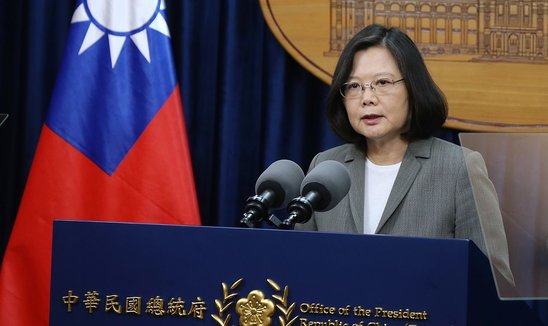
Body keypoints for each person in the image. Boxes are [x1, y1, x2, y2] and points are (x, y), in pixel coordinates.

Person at [295, 24, 514, 284]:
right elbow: (300, 269)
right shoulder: (326, 167)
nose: (367, 98)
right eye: (354, 86)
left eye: (382, 83)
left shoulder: (459, 167)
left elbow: (493, 284)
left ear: (413, 88)